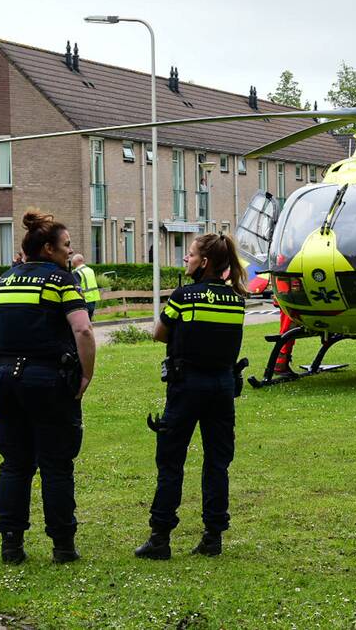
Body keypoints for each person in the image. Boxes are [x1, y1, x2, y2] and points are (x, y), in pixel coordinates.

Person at [0, 208, 96, 565]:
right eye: (65, 246)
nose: (68, 252)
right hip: (47, 380)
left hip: (5, 379)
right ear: (47, 248)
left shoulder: (4, 282)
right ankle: (63, 545)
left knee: (14, 464)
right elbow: (83, 330)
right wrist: (86, 375)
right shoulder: (61, 282)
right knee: (56, 464)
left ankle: (11, 544)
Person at [136, 233, 247, 560]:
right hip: (223, 387)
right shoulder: (236, 300)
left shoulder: (184, 297)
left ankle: (160, 538)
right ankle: (213, 536)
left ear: (205, 262)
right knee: (217, 462)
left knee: (171, 460)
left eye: (190, 254)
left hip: (187, 387)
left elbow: (159, 333)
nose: (186, 259)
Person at [71, 254, 100, 319]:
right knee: (89, 321)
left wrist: (82, 296)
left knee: (83, 322)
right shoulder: (90, 270)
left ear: (76, 262)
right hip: (93, 299)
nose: (72, 264)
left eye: (73, 262)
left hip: (85, 300)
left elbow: (77, 287)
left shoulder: (77, 272)